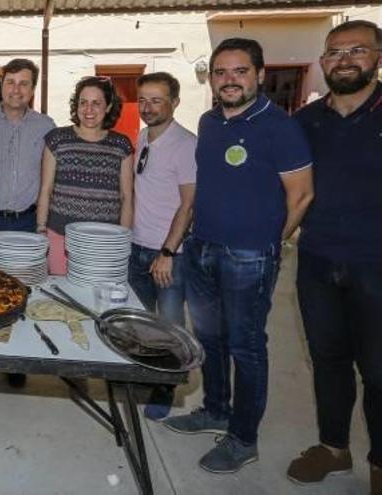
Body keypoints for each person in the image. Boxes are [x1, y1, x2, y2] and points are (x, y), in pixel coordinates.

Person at [162, 38, 314, 474]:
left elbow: (302, 196)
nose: (229, 80)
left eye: (240, 71)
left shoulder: (280, 127)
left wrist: (268, 243)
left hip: (249, 257)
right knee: (209, 338)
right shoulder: (209, 122)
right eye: (220, 72)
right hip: (203, 249)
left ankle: (243, 437)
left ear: (260, 75)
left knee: (246, 347)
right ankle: (215, 410)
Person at [286, 20, 382, 493]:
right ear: (323, 63)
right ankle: (334, 448)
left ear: (377, 57)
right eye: (335, 52)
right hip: (319, 261)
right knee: (328, 360)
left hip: (377, 265)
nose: (345, 60)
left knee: (381, 370)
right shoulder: (305, 122)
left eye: (357, 50)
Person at [128, 72, 197, 421]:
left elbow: (188, 204)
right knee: (141, 322)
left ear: (175, 102)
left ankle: (166, 387)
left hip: (169, 255)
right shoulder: (143, 136)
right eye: (143, 99)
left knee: (170, 326)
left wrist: (167, 252)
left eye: (157, 100)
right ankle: (147, 375)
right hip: (137, 246)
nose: (148, 107)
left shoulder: (185, 144)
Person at [0, 58, 54, 389]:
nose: (16, 89)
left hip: (25, 222)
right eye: (10, 82)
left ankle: (16, 360)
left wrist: (41, 223)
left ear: (32, 89)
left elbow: (48, 179)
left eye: (24, 83)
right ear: (2, 84)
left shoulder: (45, 126)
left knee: (21, 293)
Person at [36, 76, 135, 275]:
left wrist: (122, 239)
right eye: (83, 103)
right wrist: (41, 230)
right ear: (77, 105)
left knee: (96, 300)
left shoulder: (121, 145)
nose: (89, 110)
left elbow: (127, 196)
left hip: (105, 241)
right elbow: (45, 190)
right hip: (59, 237)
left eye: (96, 103)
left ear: (108, 107)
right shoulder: (57, 139)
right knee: (61, 299)